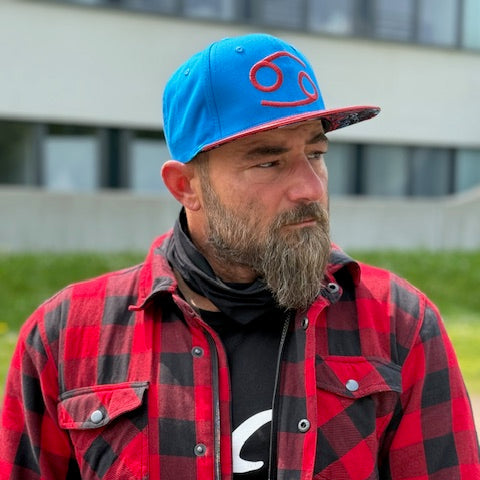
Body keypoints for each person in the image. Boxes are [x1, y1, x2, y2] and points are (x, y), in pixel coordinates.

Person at [0, 33, 478, 480]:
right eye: (268, 161)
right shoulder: (64, 337)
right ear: (186, 187)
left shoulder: (398, 324)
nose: (310, 188)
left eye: (315, 154)